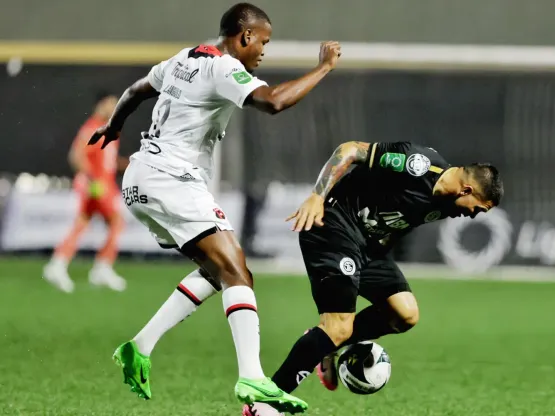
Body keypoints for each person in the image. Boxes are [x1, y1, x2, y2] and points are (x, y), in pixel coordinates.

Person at [87, 3, 341, 413]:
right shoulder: (223, 67)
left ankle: (141, 346)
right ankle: (252, 377)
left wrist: (114, 127)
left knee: (216, 269)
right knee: (238, 270)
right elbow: (273, 102)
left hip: (140, 177)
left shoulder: (185, 57)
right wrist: (324, 68)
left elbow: (136, 90)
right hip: (171, 178)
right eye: (263, 41)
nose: (263, 51)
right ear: (244, 36)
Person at [244, 141, 503, 416]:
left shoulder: (445, 204)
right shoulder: (416, 164)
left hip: (368, 248)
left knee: (404, 314)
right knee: (338, 326)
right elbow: (350, 150)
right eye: (478, 208)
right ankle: (264, 402)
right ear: (467, 190)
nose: (473, 215)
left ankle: (323, 342)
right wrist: (317, 196)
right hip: (333, 226)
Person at [42, 92, 129, 293]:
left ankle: (58, 263)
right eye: (111, 103)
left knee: (83, 223)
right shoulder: (92, 128)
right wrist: (92, 181)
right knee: (117, 222)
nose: (114, 107)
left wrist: (127, 164)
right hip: (97, 186)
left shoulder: (110, 130)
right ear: (100, 104)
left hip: (103, 184)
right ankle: (102, 268)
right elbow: (76, 156)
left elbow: (107, 160)